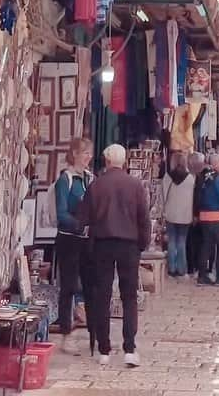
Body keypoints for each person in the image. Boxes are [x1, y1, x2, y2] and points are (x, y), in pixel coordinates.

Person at [79, 143, 150, 368]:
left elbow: (83, 218)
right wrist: (143, 243)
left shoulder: (96, 185)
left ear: (107, 161)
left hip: (102, 244)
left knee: (103, 295)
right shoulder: (135, 185)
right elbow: (143, 218)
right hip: (129, 245)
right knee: (129, 296)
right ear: (124, 161)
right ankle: (129, 348)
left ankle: (104, 350)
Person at [54, 137, 93, 354]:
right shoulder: (66, 179)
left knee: (87, 284)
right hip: (69, 238)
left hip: (86, 240)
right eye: (84, 152)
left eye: (90, 153)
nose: (88, 157)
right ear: (75, 154)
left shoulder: (89, 179)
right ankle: (66, 334)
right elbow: (61, 212)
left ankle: (88, 330)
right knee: (68, 286)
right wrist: (79, 225)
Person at [196, 151, 219, 285]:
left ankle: (202, 275)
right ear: (216, 164)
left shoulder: (202, 176)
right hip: (217, 217)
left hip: (204, 216)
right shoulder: (217, 178)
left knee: (206, 246)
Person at [162, 151, 195, 278]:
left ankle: (172, 268)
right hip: (185, 215)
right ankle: (181, 269)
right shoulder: (190, 179)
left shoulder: (167, 177)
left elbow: (163, 195)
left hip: (171, 213)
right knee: (182, 241)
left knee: (172, 241)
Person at [186, 152, 205, 274]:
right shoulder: (198, 178)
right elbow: (197, 197)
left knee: (191, 240)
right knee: (195, 241)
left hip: (191, 214)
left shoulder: (192, 177)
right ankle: (194, 265)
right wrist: (196, 214)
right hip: (195, 214)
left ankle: (192, 265)